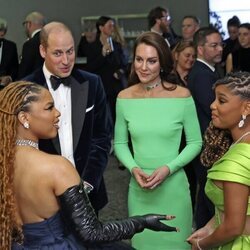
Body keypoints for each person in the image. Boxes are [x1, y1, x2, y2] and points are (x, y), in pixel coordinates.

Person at [0, 81, 179, 249]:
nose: (58, 113)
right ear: (24, 117)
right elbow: (92, 233)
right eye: (49, 108)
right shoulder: (57, 168)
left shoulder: (4, 162)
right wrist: (142, 222)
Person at [114, 31, 202, 250]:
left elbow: (195, 142)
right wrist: (134, 169)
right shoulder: (124, 98)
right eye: (139, 59)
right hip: (139, 190)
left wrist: (168, 169)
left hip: (174, 189)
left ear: (162, 63)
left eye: (151, 61)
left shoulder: (182, 96)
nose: (144, 67)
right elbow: (120, 144)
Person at [24, 22, 111, 216]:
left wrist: (87, 185)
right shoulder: (25, 89)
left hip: (87, 191)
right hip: (42, 196)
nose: (66, 60)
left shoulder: (93, 83)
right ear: (42, 51)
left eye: (70, 51)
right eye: (57, 53)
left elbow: (102, 138)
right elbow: (22, 148)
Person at [187, 71, 250, 249]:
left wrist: (201, 245)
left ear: (246, 108)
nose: (212, 105)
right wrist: (210, 226)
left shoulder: (235, 163)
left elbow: (233, 228)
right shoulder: (241, 145)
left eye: (221, 100)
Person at [187, 27, 223, 230]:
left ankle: (201, 230)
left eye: (221, 45)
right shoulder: (202, 75)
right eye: (214, 45)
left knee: (205, 192)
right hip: (207, 143)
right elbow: (215, 111)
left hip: (206, 143)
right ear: (200, 49)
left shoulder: (208, 71)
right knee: (212, 193)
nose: (219, 49)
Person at [78, 16, 128, 125]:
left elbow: (124, 63)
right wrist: (102, 54)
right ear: (101, 28)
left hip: (116, 87)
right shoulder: (92, 47)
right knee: (103, 118)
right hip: (102, 87)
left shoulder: (117, 45)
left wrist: (119, 72)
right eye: (110, 25)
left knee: (119, 117)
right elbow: (90, 67)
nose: (113, 28)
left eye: (113, 25)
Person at [172, 40, 197, 213]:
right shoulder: (168, 79)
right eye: (187, 55)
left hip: (191, 136)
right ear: (176, 55)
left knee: (192, 178)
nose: (191, 59)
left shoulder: (196, 77)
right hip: (174, 135)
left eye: (194, 56)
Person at [18, 11, 46, 79]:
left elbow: (24, 72)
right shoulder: (50, 41)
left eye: (24, 24)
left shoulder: (29, 44)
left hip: (33, 85)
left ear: (29, 24)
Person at [0, 17, 19, 83]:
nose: (2, 33)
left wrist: (9, 78)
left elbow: (15, 68)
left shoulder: (11, 46)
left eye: (4, 30)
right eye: (0, 30)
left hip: (6, 88)